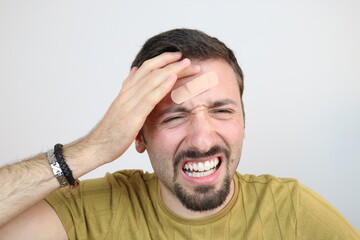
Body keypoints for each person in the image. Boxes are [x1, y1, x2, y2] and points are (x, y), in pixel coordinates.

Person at [0, 28, 358, 240]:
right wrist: (93, 148)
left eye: (221, 110)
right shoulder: (93, 214)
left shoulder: (292, 212)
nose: (202, 140)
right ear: (138, 136)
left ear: (244, 125)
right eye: (174, 117)